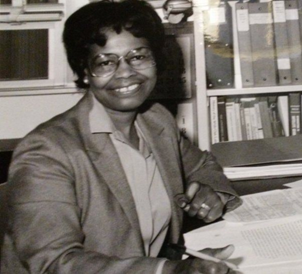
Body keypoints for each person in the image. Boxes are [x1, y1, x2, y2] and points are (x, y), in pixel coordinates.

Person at [0, 1, 242, 273]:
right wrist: (168, 270)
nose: (126, 72)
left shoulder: (156, 119)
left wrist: (211, 195)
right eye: (105, 62)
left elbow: (203, 166)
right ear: (83, 72)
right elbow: (54, 261)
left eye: (138, 56)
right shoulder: (46, 152)